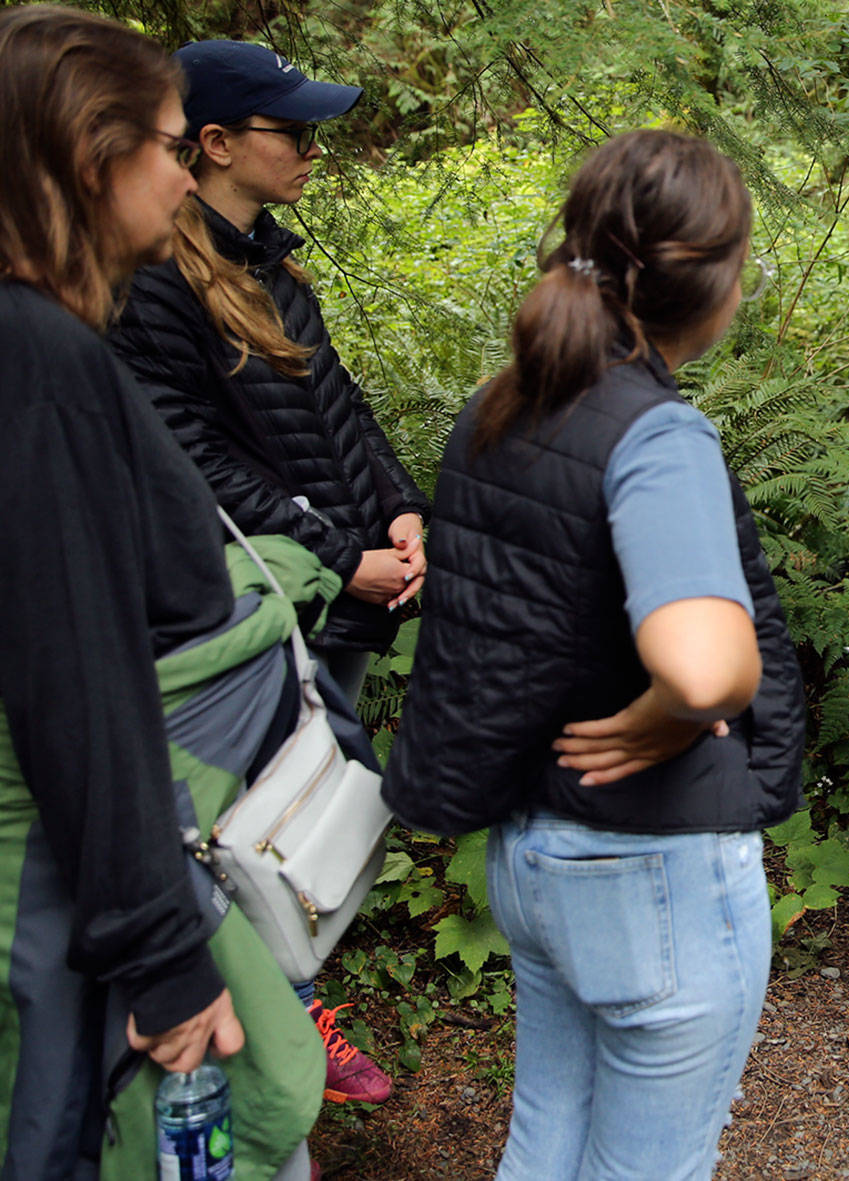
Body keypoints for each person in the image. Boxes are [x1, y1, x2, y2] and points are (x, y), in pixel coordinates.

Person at [382, 129, 805, 1180]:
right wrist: (679, 709)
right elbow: (706, 664)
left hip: (534, 852)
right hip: (649, 871)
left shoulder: (502, 401)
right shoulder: (656, 435)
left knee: (547, 1140)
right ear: (712, 280)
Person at [1, 7, 325, 1177]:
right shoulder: (38, 360)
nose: (184, 176)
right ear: (97, 161)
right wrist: (165, 957)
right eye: (172, 146)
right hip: (66, 885)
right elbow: (75, 682)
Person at [103, 37, 422, 1108]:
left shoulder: (268, 260)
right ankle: (274, 1039)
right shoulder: (154, 283)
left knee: (312, 817)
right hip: (265, 607)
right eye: (295, 132)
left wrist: (402, 507)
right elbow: (187, 455)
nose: (313, 152)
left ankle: (291, 1007)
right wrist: (342, 557)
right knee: (249, 829)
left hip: (338, 591)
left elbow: (341, 404)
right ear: (216, 142)